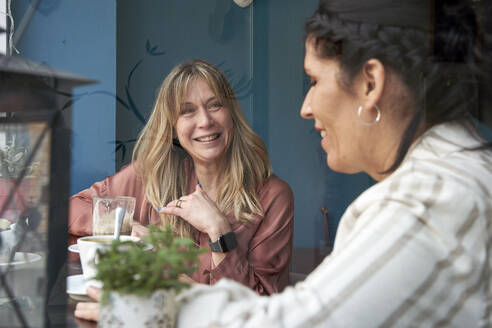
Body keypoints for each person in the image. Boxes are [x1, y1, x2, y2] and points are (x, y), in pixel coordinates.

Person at [75, 0, 492, 326]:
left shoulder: (425, 204)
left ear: (370, 83)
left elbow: (294, 321)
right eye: (186, 112)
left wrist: (156, 310)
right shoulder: (456, 173)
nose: (306, 108)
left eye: (313, 81)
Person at [69, 59, 294, 295]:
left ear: (232, 115)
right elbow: (73, 208)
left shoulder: (272, 197)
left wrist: (219, 230)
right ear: (172, 126)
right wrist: (128, 226)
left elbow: (261, 307)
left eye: (215, 105)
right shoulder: (149, 176)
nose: (205, 121)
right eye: (188, 111)